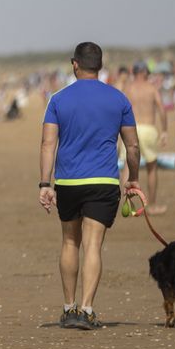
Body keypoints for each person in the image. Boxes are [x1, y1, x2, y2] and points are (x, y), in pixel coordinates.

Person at [37, 42, 142, 331]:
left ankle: (69, 308)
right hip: (103, 181)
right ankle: (87, 310)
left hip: (68, 181)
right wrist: (133, 178)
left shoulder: (58, 99)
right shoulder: (118, 98)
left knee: (70, 242)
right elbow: (132, 146)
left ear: (75, 64)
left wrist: (45, 183)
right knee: (93, 245)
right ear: (100, 65)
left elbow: (48, 142)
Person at [122, 62, 168, 214]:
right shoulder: (151, 88)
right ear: (142, 73)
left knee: (127, 166)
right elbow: (161, 108)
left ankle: (126, 205)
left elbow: (119, 109)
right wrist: (165, 130)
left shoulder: (127, 88)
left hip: (130, 128)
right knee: (151, 167)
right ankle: (152, 205)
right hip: (148, 128)